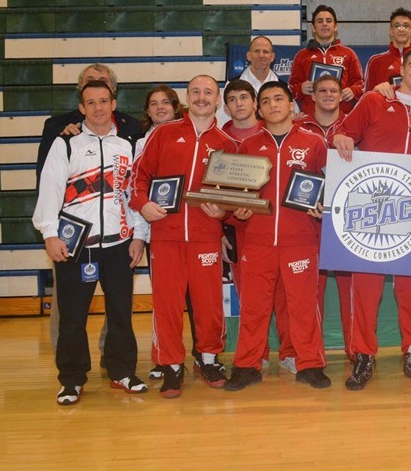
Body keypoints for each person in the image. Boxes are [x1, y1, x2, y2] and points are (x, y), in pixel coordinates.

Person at [332, 46, 411, 391]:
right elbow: (343, 132)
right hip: (369, 209)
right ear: (402, 67)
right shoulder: (373, 101)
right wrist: (340, 136)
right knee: (366, 288)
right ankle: (363, 355)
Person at [33, 79, 147, 405]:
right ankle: (71, 379)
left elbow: (133, 196)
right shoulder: (64, 144)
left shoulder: (129, 144)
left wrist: (138, 236)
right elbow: (50, 192)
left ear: (114, 105)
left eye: (103, 101)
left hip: (118, 245)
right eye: (91, 102)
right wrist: (50, 234)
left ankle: (122, 370)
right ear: (82, 108)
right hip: (75, 246)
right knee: (72, 316)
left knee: (121, 314)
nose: (98, 107)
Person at [130, 74, 236, 398]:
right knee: (167, 304)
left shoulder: (227, 144)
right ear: (187, 98)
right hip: (166, 235)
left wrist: (225, 212)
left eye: (209, 92)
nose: (202, 97)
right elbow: (138, 177)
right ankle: (171, 366)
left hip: (205, 236)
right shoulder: (163, 134)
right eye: (196, 92)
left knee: (208, 303)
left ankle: (208, 359)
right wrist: (144, 204)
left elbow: (236, 196)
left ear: (218, 100)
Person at [224, 81, 331, 391]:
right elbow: (234, 196)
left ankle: (310, 364)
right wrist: (237, 211)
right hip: (257, 241)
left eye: (278, 98)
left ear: (291, 104)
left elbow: (331, 185)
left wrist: (325, 206)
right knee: (254, 308)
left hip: (300, 239)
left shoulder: (314, 143)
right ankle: (247, 365)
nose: (273, 104)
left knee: (303, 306)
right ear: (259, 108)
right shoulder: (246, 146)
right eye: (266, 100)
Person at [132, 85, 194, 381]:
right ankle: (165, 358)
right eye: (153, 103)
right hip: (159, 229)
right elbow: (136, 188)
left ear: (176, 106)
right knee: (166, 301)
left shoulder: (197, 132)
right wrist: (139, 233)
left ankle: (205, 356)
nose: (159, 107)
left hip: (195, 230)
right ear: (147, 111)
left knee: (200, 301)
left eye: (165, 102)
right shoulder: (142, 143)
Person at [295, 74, 353, 359]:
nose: (329, 94)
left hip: (349, 222)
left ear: (342, 95)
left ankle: (358, 353)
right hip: (308, 220)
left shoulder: (355, 126)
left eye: (334, 90)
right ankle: (311, 355)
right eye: (323, 90)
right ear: (313, 96)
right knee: (309, 293)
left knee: (351, 291)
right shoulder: (296, 127)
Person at [289, 5, 364, 116]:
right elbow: (291, 88)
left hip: (342, 117)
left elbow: (361, 85)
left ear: (335, 26)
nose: (324, 24)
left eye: (328, 21)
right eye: (320, 21)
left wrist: (353, 91)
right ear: (313, 28)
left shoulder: (348, 54)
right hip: (310, 117)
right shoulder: (302, 55)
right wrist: (301, 88)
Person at [218, 36, 283, 128]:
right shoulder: (231, 85)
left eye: (265, 52)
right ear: (248, 56)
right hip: (241, 138)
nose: (261, 55)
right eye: (257, 51)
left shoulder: (283, 87)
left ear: (272, 57)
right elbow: (222, 120)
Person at [364, 8, 411, 91]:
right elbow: (367, 94)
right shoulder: (375, 61)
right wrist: (375, 91)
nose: (401, 29)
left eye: (405, 26)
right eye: (397, 26)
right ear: (391, 31)